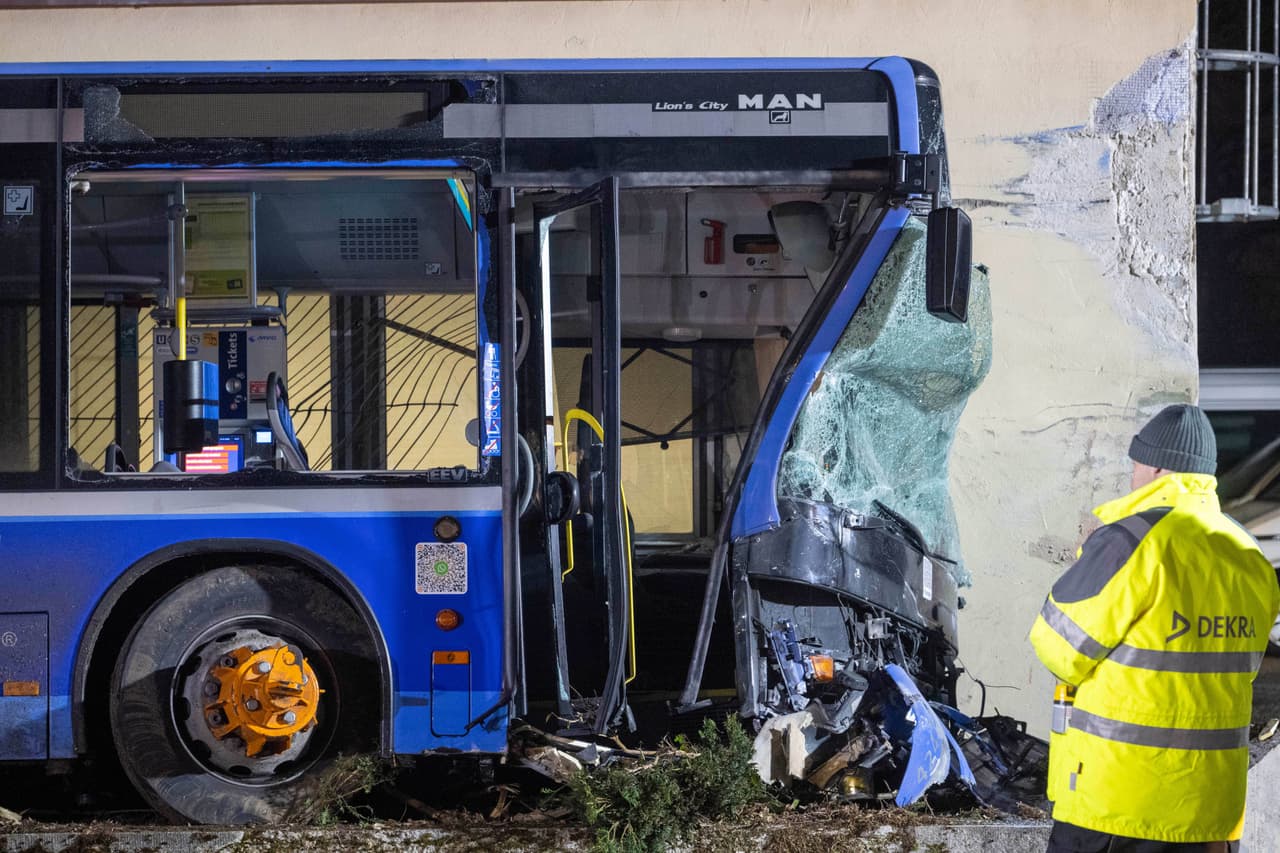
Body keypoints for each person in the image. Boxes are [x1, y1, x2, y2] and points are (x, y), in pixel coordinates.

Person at [1029, 403, 1280, 853]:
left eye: (1136, 462)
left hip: (1119, 806)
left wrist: (1091, 561)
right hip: (1211, 815)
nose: (1132, 474)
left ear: (1158, 466)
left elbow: (1058, 647)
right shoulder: (1248, 552)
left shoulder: (1131, 540)